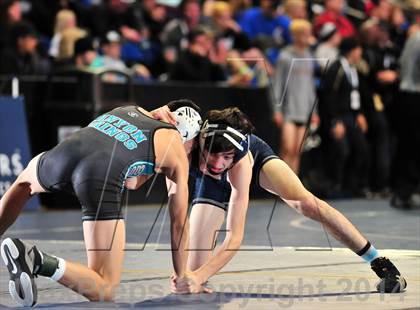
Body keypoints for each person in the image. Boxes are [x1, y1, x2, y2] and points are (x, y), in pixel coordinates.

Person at [153, 105, 407, 295]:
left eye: (226, 156)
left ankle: (376, 259)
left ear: (236, 153)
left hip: (250, 158)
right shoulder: (185, 140)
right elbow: (177, 218)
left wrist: (197, 277)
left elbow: (235, 237)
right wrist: (187, 275)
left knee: (306, 203)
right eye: (212, 154)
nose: (218, 164)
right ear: (200, 141)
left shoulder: (241, 161)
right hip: (208, 175)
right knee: (195, 269)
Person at [0, 100, 202, 307]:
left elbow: (132, 181)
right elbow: (179, 223)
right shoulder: (177, 148)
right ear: (190, 137)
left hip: (63, 154)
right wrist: (181, 273)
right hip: (98, 175)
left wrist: (157, 163)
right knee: (105, 288)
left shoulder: (129, 109)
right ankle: (37, 259)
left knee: (23, 185)